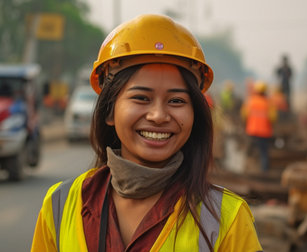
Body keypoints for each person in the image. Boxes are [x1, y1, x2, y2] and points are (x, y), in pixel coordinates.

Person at [31, 14, 262, 251]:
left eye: (176, 101)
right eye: (141, 98)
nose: (158, 115)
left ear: (195, 115)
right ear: (109, 111)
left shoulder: (228, 219)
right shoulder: (60, 205)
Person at [241, 81, 277, 173]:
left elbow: (244, 115)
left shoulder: (251, 101)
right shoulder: (269, 103)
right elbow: (273, 118)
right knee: (264, 153)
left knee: (249, 152)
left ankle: (246, 169)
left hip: (252, 131)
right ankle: (264, 172)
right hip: (264, 132)